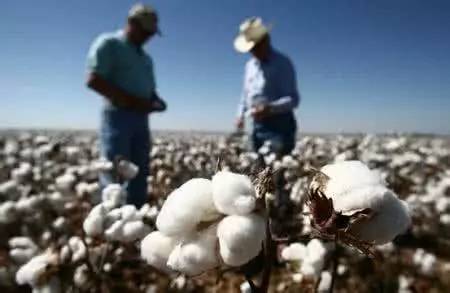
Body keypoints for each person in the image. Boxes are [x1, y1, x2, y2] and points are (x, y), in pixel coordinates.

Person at [86, 3, 166, 208]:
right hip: (117, 116)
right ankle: (113, 219)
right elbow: (93, 79)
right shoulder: (109, 44)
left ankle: (134, 216)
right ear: (132, 23)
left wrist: (156, 101)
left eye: (151, 33)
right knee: (115, 169)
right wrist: (132, 101)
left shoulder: (146, 58)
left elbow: (150, 90)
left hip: (141, 118)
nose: (148, 37)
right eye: (146, 31)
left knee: (139, 169)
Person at [234, 17, 300, 156]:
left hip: (280, 126)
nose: (253, 52)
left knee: (276, 171)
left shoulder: (282, 63)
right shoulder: (250, 66)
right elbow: (245, 94)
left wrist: (270, 108)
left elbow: (293, 99)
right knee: (259, 171)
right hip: (257, 125)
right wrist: (240, 115)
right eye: (251, 49)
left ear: (266, 40)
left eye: (256, 47)